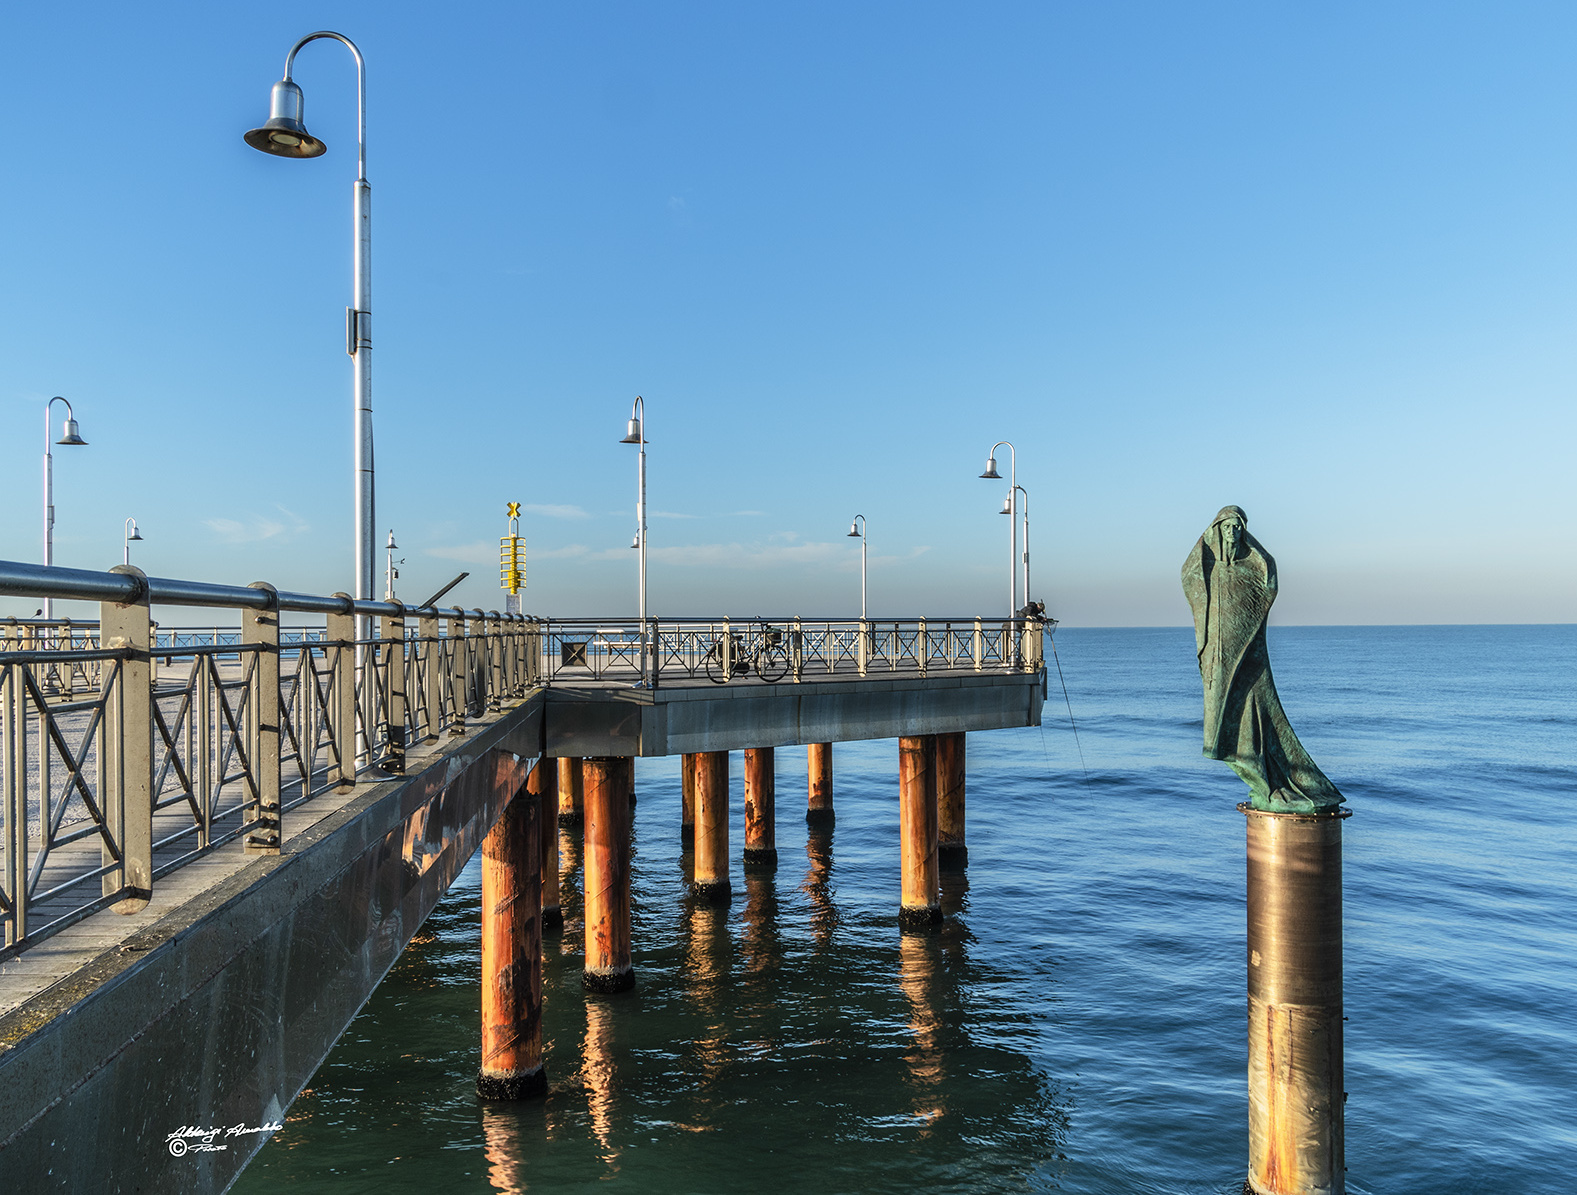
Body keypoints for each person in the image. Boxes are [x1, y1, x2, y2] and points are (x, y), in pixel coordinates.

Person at [1181, 506, 1343, 813]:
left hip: (1249, 658)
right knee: (1219, 723)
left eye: (1237, 527)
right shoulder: (1208, 568)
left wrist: (1258, 553)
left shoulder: (1251, 568)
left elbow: (1269, 582)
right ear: (1216, 531)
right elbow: (1189, 578)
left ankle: (1273, 783)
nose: (1232, 533)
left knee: (1257, 715)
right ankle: (1264, 781)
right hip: (1218, 658)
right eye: (1226, 528)